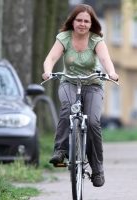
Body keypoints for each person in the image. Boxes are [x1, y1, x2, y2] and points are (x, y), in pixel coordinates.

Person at [42, 4, 118, 187]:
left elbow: (105, 59)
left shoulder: (96, 40)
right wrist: (47, 71)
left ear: (91, 23)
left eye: (86, 21)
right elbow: (51, 58)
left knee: (92, 122)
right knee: (67, 109)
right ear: (72, 21)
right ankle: (60, 151)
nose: (82, 24)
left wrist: (112, 73)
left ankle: (97, 169)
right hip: (69, 82)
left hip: (93, 84)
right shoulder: (64, 38)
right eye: (79, 20)